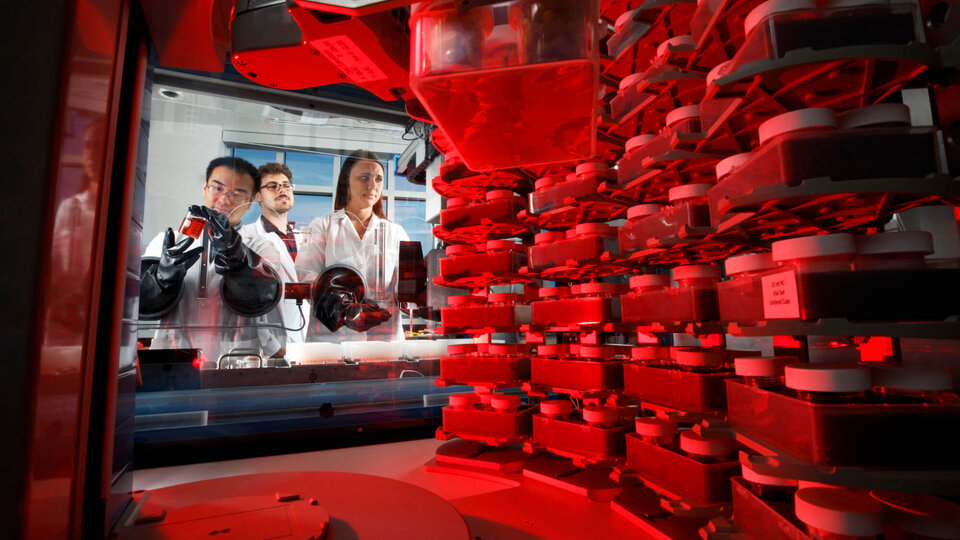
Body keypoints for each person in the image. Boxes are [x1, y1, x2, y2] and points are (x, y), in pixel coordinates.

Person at [139, 156, 284, 365]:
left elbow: (264, 297)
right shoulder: (169, 243)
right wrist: (161, 280)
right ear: (204, 189)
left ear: (252, 200)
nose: (224, 200)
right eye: (217, 189)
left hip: (239, 361)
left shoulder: (261, 247)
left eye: (237, 194)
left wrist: (236, 255)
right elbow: (140, 303)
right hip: (174, 360)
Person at [296, 149, 410, 342]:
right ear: (346, 182)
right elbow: (306, 277)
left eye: (378, 179)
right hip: (332, 341)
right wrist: (345, 308)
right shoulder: (322, 226)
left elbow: (409, 288)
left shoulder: (395, 232)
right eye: (364, 177)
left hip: (383, 341)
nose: (372, 185)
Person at [240, 162, 308, 344]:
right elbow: (242, 299)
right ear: (258, 197)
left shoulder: (305, 238)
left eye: (286, 185)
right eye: (272, 186)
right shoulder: (245, 237)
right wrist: (272, 347)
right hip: (269, 347)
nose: (282, 190)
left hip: (308, 345)